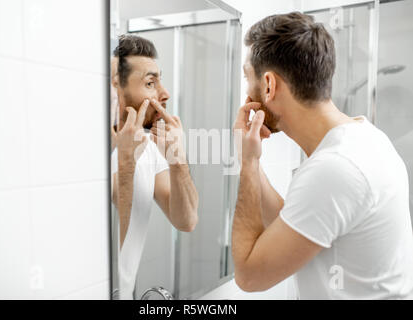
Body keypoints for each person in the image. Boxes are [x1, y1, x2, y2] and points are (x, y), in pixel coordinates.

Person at [232, 12, 413, 299]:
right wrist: (252, 160)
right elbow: (296, 223)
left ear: (268, 85)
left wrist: (245, 165)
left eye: (246, 77)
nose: (246, 89)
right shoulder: (365, 139)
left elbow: (248, 276)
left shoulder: (334, 168)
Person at [111, 34, 199, 248]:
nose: (165, 93)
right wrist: (126, 161)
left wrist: (177, 160)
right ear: (116, 90)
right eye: (150, 83)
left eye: (160, 80)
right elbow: (113, 248)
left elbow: (186, 221)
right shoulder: (82, 152)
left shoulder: (148, 147)